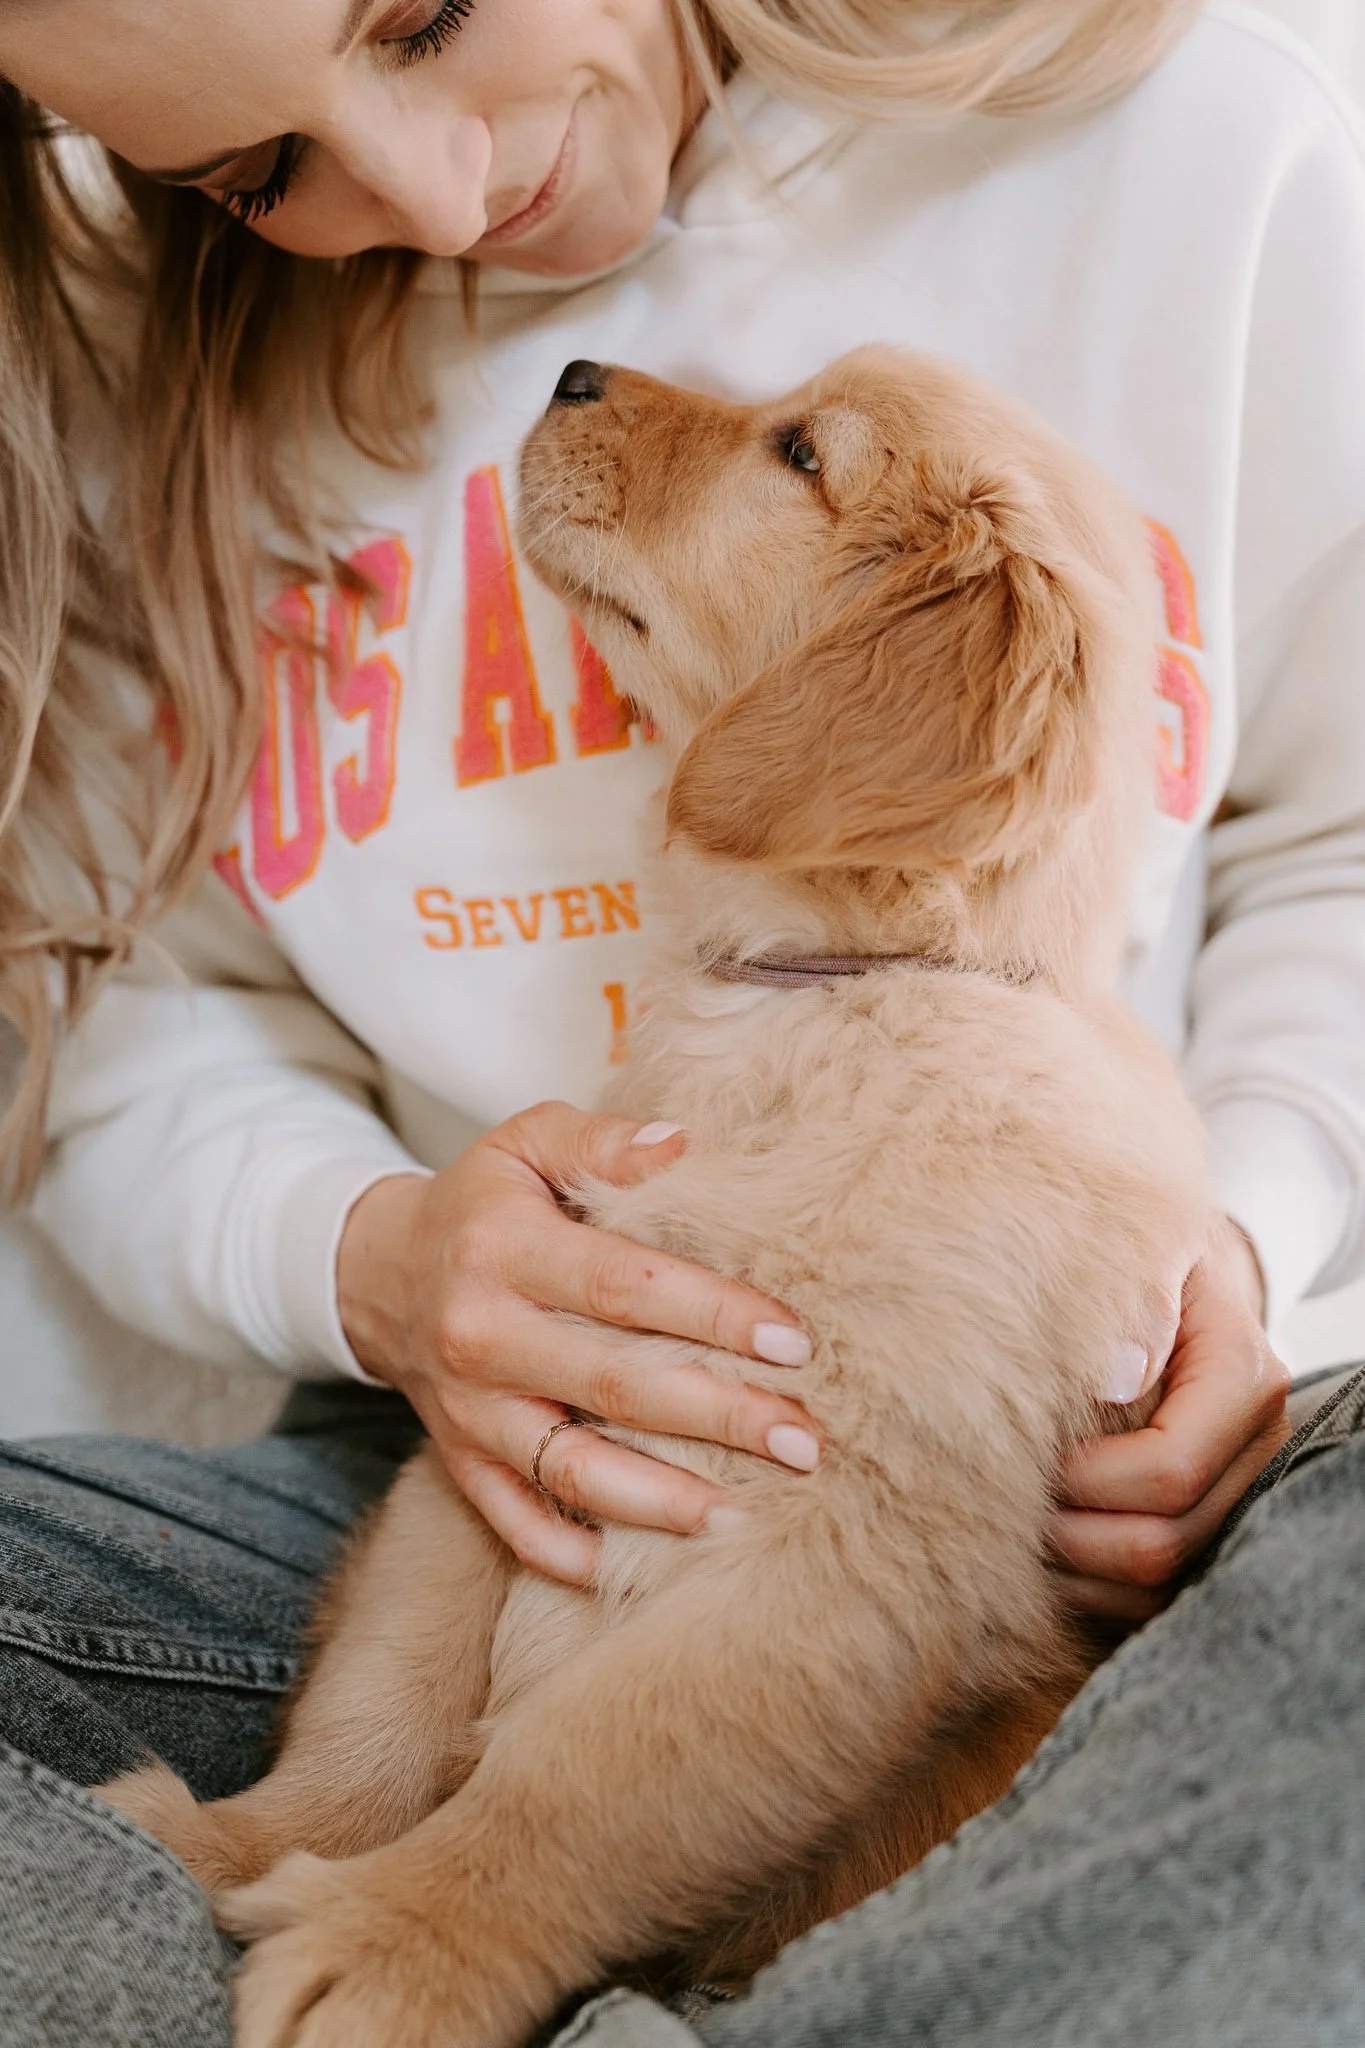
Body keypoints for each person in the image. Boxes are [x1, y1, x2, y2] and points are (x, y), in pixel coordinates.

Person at [0, 0, 1361, 2038]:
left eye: (427, 14)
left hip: (1144, 1492)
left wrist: (1230, 1255)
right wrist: (381, 1263)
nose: (440, 189)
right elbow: (117, 1028)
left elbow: (1342, 839)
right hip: (436, 1445)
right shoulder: (146, 383)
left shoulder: (1211, 146)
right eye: (253, 173)